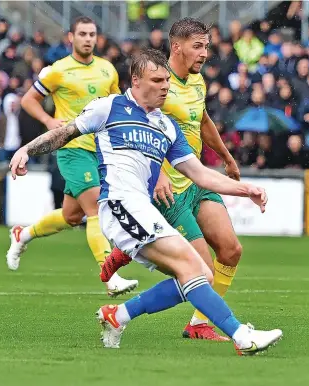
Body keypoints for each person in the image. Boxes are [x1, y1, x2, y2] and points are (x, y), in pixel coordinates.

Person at [8, 48, 283, 355]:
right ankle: (241, 336)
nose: (165, 86)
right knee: (192, 269)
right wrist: (26, 150)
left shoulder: (167, 126)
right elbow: (66, 132)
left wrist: (246, 189)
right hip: (119, 205)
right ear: (135, 81)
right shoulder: (109, 107)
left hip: (142, 209)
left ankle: (118, 315)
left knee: (201, 274)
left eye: (167, 80)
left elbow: (200, 175)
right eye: (157, 80)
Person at [101, 18, 244, 342]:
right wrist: (160, 172)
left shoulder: (196, 82)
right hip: (169, 192)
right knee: (198, 273)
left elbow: (202, 119)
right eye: (198, 46)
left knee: (231, 250)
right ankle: (124, 276)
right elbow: (138, 127)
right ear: (176, 47)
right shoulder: (157, 83)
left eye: (206, 46)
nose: (205, 53)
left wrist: (225, 156)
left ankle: (199, 323)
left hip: (195, 182)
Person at [6, 16, 138, 296]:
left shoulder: (107, 70)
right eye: (82, 34)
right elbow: (28, 100)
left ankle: (23, 234)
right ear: (71, 37)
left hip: (100, 150)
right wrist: (48, 120)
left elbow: (115, 104)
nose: (88, 38)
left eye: (92, 34)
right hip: (72, 149)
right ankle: (110, 276)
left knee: (71, 215)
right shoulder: (57, 71)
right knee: (96, 209)